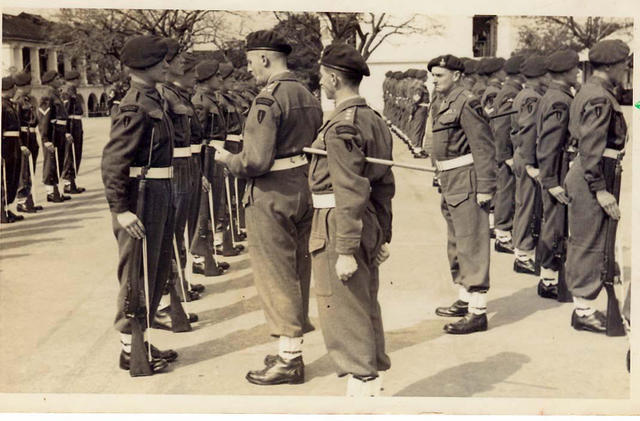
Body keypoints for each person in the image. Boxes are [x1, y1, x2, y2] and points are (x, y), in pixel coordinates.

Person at [213, 30, 322, 385]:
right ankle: (291, 348)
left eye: (249, 61)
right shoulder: (306, 93)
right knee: (298, 271)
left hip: (272, 193)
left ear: (264, 58)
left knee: (276, 275)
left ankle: (289, 359)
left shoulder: (268, 99)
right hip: (303, 187)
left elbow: (256, 160)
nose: (249, 70)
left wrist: (229, 159)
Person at [309, 42, 395, 396]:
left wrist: (345, 248)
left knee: (344, 312)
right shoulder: (372, 118)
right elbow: (385, 184)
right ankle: (369, 385)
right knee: (362, 305)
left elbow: (348, 189)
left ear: (332, 78)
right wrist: (383, 235)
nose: (320, 82)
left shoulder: (342, 126)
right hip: (364, 221)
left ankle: (363, 394)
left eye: (321, 76)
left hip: (339, 223)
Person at [101, 35, 177, 375]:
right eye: (161, 62)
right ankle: (129, 348)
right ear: (145, 67)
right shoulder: (135, 106)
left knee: (155, 268)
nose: (167, 66)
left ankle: (140, 341)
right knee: (135, 272)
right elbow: (113, 161)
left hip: (159, 191)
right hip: (140, 196)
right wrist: (121, 208)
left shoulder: (152, 98)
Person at [565, 39, 630, 333]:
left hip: (594, 169)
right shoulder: (600, 98)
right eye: (623, 65)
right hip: (595, 172)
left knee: (591, 239)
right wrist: (600, 188)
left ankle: (584, 305)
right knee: (588, 242)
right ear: (611, 66)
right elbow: (592, 146)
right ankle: (583, 310)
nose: (626, 69)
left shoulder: (594, 91)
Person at [429, 55, 496, 334]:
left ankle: (478, 312)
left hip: (467, 179)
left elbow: (483, 147)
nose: (434, 80)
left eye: (440, 75)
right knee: (456, 242)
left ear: (456, 75)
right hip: (448, 178)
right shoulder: (442, 101)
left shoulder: (467, 102)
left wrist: (485, 187)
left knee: (472, 244)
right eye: (432, 76)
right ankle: (465, 298)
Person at [535, 49, 580, 299]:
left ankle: (549, 277)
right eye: (575, 69)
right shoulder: (560, 100)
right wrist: (551, 181)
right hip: (557, 167)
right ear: (565, 72)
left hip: (556, 166)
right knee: (554, 225)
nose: (578, 73)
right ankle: (549, 280)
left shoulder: (556, 95)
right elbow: (549, 144)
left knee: (555, 223)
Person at [511, 54, 548, 275]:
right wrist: (530, 164)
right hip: (527, 156)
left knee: (524, 203)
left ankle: (522, 250)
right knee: (527, 204)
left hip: (521, 154)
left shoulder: (525, 94)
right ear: (540, 75)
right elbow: (527, 130)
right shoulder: (532, 97)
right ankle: (523, 254)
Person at [491, 55, 526, 254]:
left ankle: (504, 230)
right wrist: (506, 155)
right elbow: (502, 126)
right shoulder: (510, 93)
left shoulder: (512, 90)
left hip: (507, 152)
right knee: (506, 191)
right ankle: (502, 234)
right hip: (506, 152)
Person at [38, 70, 72, 203]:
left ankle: (56, 190)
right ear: (50, 81)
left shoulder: (55, 93)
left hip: (59, 131)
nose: (60, 80)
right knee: (50, 162)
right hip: (52, 131)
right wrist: (45, 139)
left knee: (58, 161)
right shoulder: (47, 95)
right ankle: (50, 192)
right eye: (57, 78)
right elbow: (44, 118)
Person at [13, 71, 43, 214]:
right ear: (22, 86)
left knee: (30, 169)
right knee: (23, 170)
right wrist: (20, 144)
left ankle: (29, 199)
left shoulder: (29, 99)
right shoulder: (17, 101)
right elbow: (16, 124)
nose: (31, 86)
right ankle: (22, 201)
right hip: (23, 136)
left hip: (31, 136)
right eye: (28, 84)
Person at [1, 76, 25, 223]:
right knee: (4, 178)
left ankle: (7, 207)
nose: (15, 89)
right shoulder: (2, 106)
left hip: (13, 144)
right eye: (13, 87)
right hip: (5, 145)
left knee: (12, 177)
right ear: (7, 89)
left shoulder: (9, 104)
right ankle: (2, 211)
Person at [60, 69, 86, 194]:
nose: (80, 81)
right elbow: (64, 112)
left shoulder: (72, 91)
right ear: (74, 80)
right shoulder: (67, 92)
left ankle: (72, 181)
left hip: (76, 124)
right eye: (78, 79)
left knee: (76, 154)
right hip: (71, 125)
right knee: (70, 155)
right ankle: (68, 183)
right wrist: (66, 131)